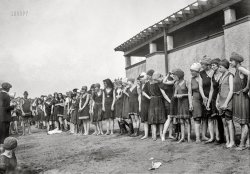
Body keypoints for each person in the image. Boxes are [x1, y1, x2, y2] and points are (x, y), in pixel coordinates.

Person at [229, 52, 250, 150]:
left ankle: (242, 145)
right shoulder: (237, 70)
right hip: (238, 97)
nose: (231, 62)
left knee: (243, 122)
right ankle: (247, 143)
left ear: (236, 61)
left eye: (232, 61)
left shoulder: (241, 68)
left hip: (242, 97)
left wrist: (247, 87)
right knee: (243, 122)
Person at [216, 59, 235, 148]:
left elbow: (231, 90)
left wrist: (226, 103)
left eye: (220, 67)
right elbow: (219, 91)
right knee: (224, 122)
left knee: (229, 122)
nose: (219, 69)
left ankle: (232, 141)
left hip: (227, 102)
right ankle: (227, 140)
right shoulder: (221, 77)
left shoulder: (230, 76)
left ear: (225, 67)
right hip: (221, 102)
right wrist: (217, 101)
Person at [207, 58, 225, 144]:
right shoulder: (212, 75)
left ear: (218, 65)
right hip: (214, 98)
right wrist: (208, 102)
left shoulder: (222, 74)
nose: (212, 66)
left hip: (221, 97)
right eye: (211, 65)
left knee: (222, 118)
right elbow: (211, 90)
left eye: (213, 65)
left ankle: (223, 137)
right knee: (216, 119)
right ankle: (218, 137)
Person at [173, 69, 191, 143]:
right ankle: (182, 137)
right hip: (179, 104)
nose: (174, 77)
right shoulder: (176, 84)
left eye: (175, 76)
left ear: (179, 76)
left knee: (187, 120)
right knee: (181, 121)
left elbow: (190, 93)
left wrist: (182, 95)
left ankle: (189, 137)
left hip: (186, 103)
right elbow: (175, 94)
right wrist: (177, 95)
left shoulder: (186, 82)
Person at [148, 72, 168, 141]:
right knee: (161, 117)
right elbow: (164, 94)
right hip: (159, 101)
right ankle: (161, 133)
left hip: (152, 101)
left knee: (153, 118)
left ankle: (154, 135)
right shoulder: (160, 84)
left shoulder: (150, 84)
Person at [199, 56, 213, 141]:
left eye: (202, 64)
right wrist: (203, 96)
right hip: (204, 97)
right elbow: (200, 86)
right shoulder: (201, 73)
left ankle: (213, 136)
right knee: (204, 117)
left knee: (212, 117)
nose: (201, 66)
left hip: (212, 96)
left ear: (208, 64)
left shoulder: (213, 72)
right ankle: (203, 135)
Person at [189, 63, 203, 143]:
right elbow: (189, 92)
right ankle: (198, 137)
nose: (191, 72)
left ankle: (204, 135)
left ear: (197, 71)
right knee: (197, 118)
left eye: (192, 71)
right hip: (195, 100)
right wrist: (190, 104)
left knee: (205, 118)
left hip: (203, 100)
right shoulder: (191, 79)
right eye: (190, 71)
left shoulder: (202, 78)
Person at [138, 72, 150, 140]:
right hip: (143, 103)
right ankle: (146, 134)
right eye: (140, 79)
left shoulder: (148, 84)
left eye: (141, 78)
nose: (140, 80)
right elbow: (139, 95)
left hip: (148, 103)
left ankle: (152, 133)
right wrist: (139, 106)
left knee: (149, 119)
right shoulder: (141, 85)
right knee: (145, 120)